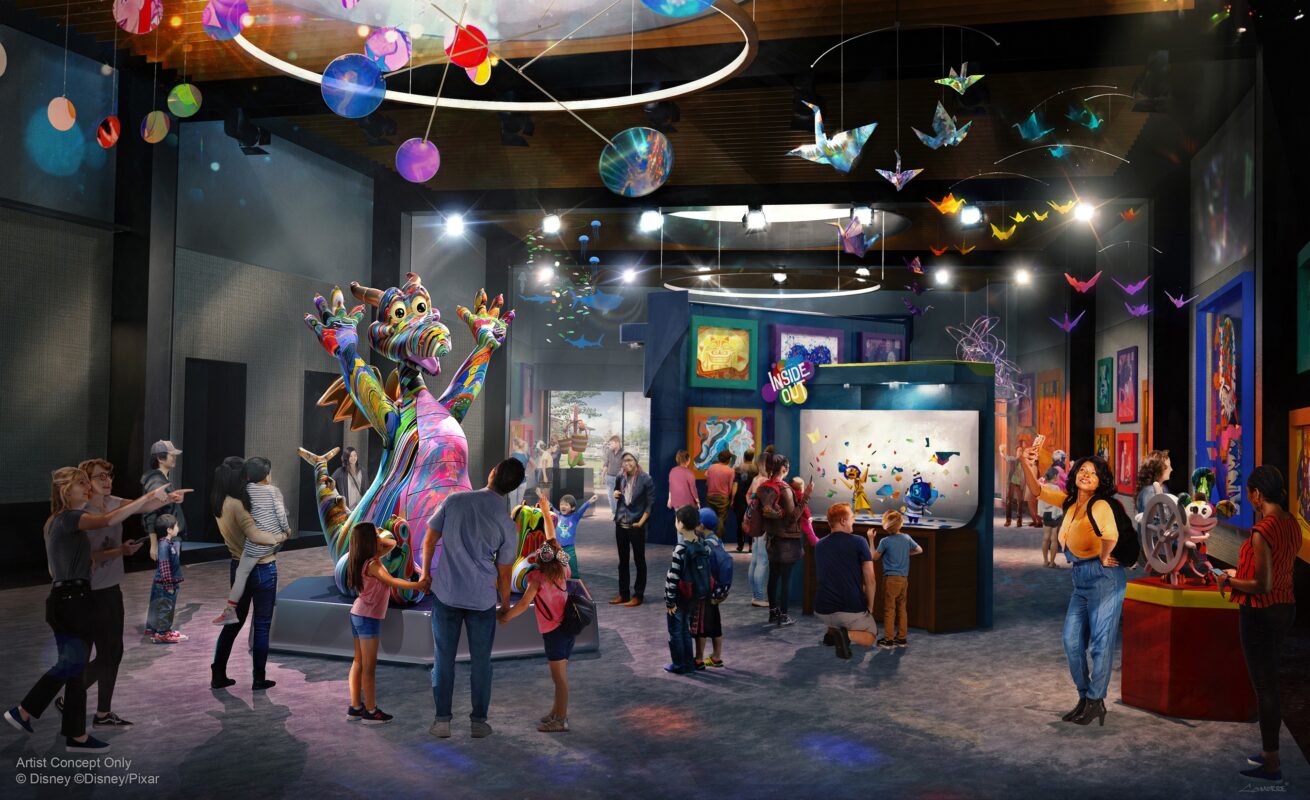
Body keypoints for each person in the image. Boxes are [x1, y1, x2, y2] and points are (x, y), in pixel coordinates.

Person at [5, 467, 179, 752]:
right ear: (66, 490)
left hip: (70, 599)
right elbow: (109, 519)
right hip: (71, 601)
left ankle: (66, 731)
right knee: (71, 666)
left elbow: (63, 565)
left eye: (88, 482)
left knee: (74, 669)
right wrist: (149, 497)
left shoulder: (59, 521)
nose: (87, 487)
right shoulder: (69, 517)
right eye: (81, 483)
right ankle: (29, 712)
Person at [1018, 447, 1126, 727]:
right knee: (1071, 641)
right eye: (1082, 470)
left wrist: (1104, 556)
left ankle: (1095, 700)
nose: (1086, 475)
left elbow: (1111, 534)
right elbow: (1036, 491)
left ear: (1101, 481)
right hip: (1080, 579)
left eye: (1093, 473)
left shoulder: (1100, 506)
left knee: (1100, 644)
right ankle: (1084, 696)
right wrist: (1024, 462)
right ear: (1075, 473)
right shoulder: (1069, 502)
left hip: (1104, 578)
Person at [422, 458, 525, 739]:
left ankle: (442, 721)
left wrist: (425, 575)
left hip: (446, 594)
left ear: (492, 472)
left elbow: (429, 540)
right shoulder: (507, 523)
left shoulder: (455, 501)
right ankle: (478, 722)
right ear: (513, 487)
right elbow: (505, 573)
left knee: (443, 660)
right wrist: (505, 605)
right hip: (482, 600)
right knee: (481, 663)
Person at [1215, 466, 1300, 782]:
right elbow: (1276, 572)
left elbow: (1262, 585)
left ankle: (1272, 763)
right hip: (1285, 608)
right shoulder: (1290, 523)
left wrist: (1229, 580)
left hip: (1260, 613)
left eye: (1249, 492)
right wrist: (1239, 575)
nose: (1249, 498)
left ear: (1257, 494)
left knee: (1265, 688)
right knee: (1270, 683)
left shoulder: (1262, 530)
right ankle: (1268, 753)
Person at [58, 459, 146, 727]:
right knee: (97, 654)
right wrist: (120, 551)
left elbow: (142, 505)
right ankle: (68, 698)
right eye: (100, 477)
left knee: (113, 653)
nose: (107, 481)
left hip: (110, 589)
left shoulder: (113, 502)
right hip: (87, 592)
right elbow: (85, 557)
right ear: (85, 483)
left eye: (108, 475)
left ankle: (102, 713)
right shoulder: (79, 513)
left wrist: (166, 497)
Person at [211, 457, 285, 691]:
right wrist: (281, 536)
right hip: (262, 567)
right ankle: (258, 678)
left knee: (233, 623)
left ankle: (218, 672)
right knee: (262, 624)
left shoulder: (220, 502)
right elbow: (256, 535)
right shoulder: (240, 505)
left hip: (237, 566)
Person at [345, 522, 430, 725]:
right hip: (367, 618)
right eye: (376, 535)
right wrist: (417, 585)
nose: (381, 537)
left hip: (357, 614)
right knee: (369, 668)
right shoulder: (373, 565)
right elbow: (392, 582)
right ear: (369, 541)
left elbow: (392, 544)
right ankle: (371, 711)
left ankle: (355, 707)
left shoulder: (365, 560)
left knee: (358, 662)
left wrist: (376, 539)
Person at [500, 540, 574, 732]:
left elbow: (524, 604)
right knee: (560, 677)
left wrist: (506, 616)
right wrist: (557, 551)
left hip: (553, 632)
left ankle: (561, 720)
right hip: (568, 629)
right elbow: (565, 559)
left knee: (559, 679)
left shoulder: (536, 577)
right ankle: (556, 712)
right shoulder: (563, 570)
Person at [213, 457, 291, 625]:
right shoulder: (272, 492)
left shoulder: (238, 495)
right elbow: (279, 515)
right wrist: (285, 533)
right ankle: (269, 601)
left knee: (241, 574)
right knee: (263, 621)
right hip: (267, 551)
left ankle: (230, 609)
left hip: (247, 553)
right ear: (267, 474)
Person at [813, 503, 879, 660]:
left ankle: (831, 633)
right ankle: (845, 635)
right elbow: (871, 579)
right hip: (848, 611)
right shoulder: (859, 541)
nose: (853, 520)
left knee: (838, 591)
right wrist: (870, 607)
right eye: (851, 518)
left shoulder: (819, 544)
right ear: (843, 521)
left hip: (821, 609)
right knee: (871, 635)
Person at [756, 453, 807, 627]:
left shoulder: (764, 487)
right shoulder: (785, 489)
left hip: (771, 538)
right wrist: (806, 496)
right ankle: (784, 615)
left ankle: (773, 613)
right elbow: (793, 517)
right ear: (784, 469)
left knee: (773, 576)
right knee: (786, 579)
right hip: (787, 540)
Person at [871, 509, 922, 648]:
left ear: (886, 525)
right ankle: (902, 638)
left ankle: (888, 640)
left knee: (889, 610)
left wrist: (870, 539)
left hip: (891, 579)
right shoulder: (906, 538)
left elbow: (874, 557)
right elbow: (919, 550)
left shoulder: (885, 541)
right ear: (900, 524)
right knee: (902, 609)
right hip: (904, 579)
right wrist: (906, 553)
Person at [611, 452, 652, 607]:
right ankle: (623, 593)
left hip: (636, 525)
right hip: (621, 524)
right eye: (624, 461)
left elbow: (650, 504)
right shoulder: (620, 477)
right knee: (622, 561)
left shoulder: (646, 479)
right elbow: (617, 493)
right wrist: (615, 494)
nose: (626, 463)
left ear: (636, 461)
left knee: (639, 560)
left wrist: (641, 523)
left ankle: (638, 595)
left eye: (629, 460)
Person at [663, 505, 701, 675]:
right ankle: (689, 664)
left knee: (675, 632)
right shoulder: (701, 544)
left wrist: (669, 601)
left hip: (678, 598)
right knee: (686, 630)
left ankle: (679, 665)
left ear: (680, 524)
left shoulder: (680, 548)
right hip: (693, 596)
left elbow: (673, 577)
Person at [692, 507, 725, 669]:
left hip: (705, 592)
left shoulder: (704, 545)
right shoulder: (718, 541)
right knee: (715, 624)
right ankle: (716, 657)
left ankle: (698, 659)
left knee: (701, 627)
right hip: (717, 591)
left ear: (702, 526)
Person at [142, 439, 186, 560]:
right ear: (160, 459)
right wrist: (153, 544)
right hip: (167, 539)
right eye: (171, 455)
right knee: (168, 571)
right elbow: (150, 512)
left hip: (170, 538)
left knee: (169, 570)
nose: (174, 458)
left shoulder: (160, 479)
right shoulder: (157, 481)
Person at [145, 515, 186, 644]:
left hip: (165, 583)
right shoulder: (164, 545)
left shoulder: (167, 543)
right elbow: (164, 566)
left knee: (160, 605)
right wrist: (169, 585)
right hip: (165, 584)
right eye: (176, 526)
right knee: (165, 607)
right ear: (169, 530)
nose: (178, 528)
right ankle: (163, 633)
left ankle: (154, 629)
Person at [549, 493, 597, 568]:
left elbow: (582, 509)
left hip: (569, 549)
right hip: (558, 548)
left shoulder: (574, 517)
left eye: (566, 505)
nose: (563, 506)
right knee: (559, 567)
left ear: (573, 508)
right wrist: (540, 495)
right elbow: (549, 505)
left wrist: (590, 501)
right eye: (561, 504)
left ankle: (572, 575)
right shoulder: (557, 515)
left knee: (572, 567)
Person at [1038, 451, 1069, 568]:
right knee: (1054, 538)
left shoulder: (1043, 488)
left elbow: (1040, 501)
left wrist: (1040, 513)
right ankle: (1052, 562)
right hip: (1055, 515)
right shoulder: (1056, 488)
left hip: (1046, 514)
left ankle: (1045, 561)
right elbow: (1060, 500)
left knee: (1046, 537)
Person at [745, 466, 771, 607]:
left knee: (755, 560)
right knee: (762, 561)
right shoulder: (765, 481)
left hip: (754, 525)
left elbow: (748, 496)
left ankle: (755, 595)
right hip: (762, 526)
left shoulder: (756, 479)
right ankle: (759, 597)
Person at [704, 451, 736, 541]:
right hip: (723, 498)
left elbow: (706, 475)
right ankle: (718, 542)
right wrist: (731, 499)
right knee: (721, 519)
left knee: (710, 518)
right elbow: (731, 487)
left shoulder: (711, 467)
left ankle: (709, 541)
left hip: (710, 496)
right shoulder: (730, 471)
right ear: (728, 460)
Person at [731, 449, 758, 553]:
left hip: (740, 499)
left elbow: (735, 484)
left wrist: (732, 499)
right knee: (752, 522)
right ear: (752, 457)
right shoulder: (756, 469)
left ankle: (740, 545)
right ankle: (751, 546)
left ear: (744, 457)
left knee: (740, 522)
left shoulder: (738, 468)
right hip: (752, 499)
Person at [999, 443, 1030, 528]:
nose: (1020, 452)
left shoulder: (1024, 462)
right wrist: (1001, 450)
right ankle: (1008, 520)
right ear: (1016, 452)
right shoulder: (1013, 459)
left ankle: (1019, 521)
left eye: (1021, 451)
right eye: (1019, 450)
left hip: (1020, 483)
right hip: (1011, 482)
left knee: (1020, 502)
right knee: (1009, 501)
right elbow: (1005, 457)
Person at [1136, 449, 1172, 514]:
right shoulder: (1150, 492)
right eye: (1168, 466)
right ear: (1159, 469)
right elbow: (1157, 518)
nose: (1171, 469)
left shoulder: (1163, 487)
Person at [332, 447, 366, 511]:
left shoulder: (362, 471)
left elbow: (366, 490)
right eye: (350, 456)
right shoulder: (341, 471)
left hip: (360, 509)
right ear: (346, 457)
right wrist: (337, 497)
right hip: (347, 510)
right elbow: (329, 482)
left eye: (355, 455)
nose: (353, 458)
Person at [602, 436, 624, 519]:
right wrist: (603, 475)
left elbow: (624, 467)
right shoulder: (609, 452)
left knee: (618, 497)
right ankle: (614, 512)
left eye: (611, 443)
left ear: (617, 443)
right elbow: (606, 464)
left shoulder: (624, 453)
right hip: (609, 477)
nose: (609, 445)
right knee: (610, 496)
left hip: (619, 479)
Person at [509, 439, 530, 508]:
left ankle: (513, 514)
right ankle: (519, 514)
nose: (512, 446)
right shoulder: (526, 455)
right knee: (520, 501)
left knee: (513, 502)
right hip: (523, 480)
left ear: (516, 445)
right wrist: (527, 472)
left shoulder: (513, 455)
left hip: (513, 481)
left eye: (513, 444)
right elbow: (534, 465)